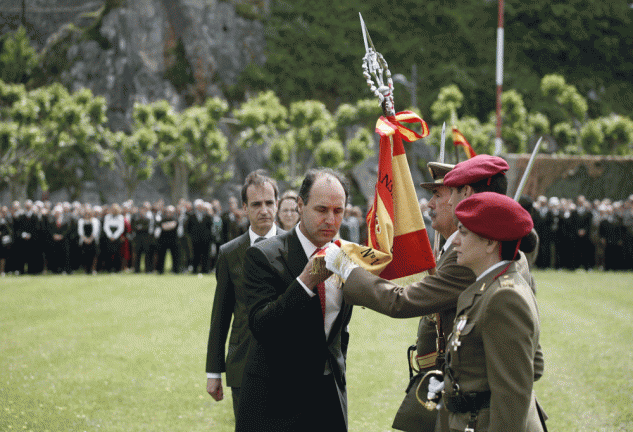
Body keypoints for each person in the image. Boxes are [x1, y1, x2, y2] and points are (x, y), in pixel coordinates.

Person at [325, 161, 475, 432]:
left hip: (459, 385)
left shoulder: (464, 258)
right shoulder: (454, 249)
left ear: (462, 199)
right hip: (441, 375)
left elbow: (402, 301)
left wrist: (350, 270)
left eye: (439, 196)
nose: (429, 205)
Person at [235, 168, 353, 432]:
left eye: (338, 211)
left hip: (329, 401)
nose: (331, 220)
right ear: (300, 205)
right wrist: (305, 282)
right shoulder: (263, 256)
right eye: (321, 210)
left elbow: (340, 329)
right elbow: (262, 326)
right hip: (277, 404)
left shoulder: (346, 255)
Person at [437, 192, 546, 431]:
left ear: (490, 242)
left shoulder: (503, 298)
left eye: (464, 233)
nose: (455, 241)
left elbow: (511, 398)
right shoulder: (494, 288)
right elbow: (534, 365)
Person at [206, 170, 284, 419]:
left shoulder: (295, 246)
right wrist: (214, 373)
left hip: (289, 365)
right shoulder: (230, 253)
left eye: (269, 203)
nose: (264, 210)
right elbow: (220, 315)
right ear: (244, 208)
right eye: (256, 204)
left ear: (277, 204)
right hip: (244, 364)